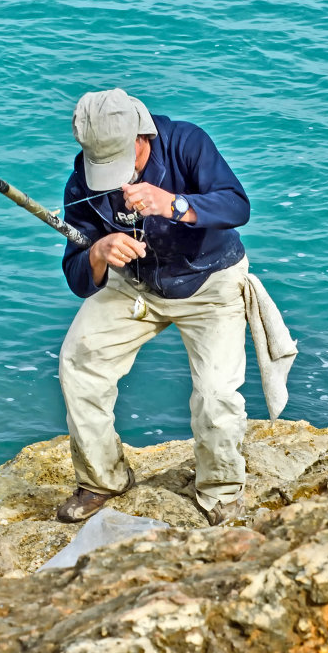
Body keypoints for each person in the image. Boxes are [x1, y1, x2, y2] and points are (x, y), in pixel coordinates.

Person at [56, 88, 255, 526]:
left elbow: (237, 205)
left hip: (209, 282)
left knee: (216, 394)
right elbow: (76, 274)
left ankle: (221, 490)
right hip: (135, 287)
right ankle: (101, 479)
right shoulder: (83, 180)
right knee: (79, 360)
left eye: (120, 162)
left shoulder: (187, 142)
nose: (114, 178)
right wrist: (98, 252)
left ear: (142, 135)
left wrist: (175, 204)